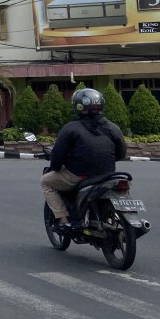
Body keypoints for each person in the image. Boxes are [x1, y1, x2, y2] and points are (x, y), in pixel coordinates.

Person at [42, 88, 127, 233]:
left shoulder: (70, 128)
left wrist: (56, 167)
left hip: (79, 175)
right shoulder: (113, 128)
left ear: (77, 106)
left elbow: (58, 155)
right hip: (107, 174)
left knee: (46, 181)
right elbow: (121, 153)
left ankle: (63, 220)